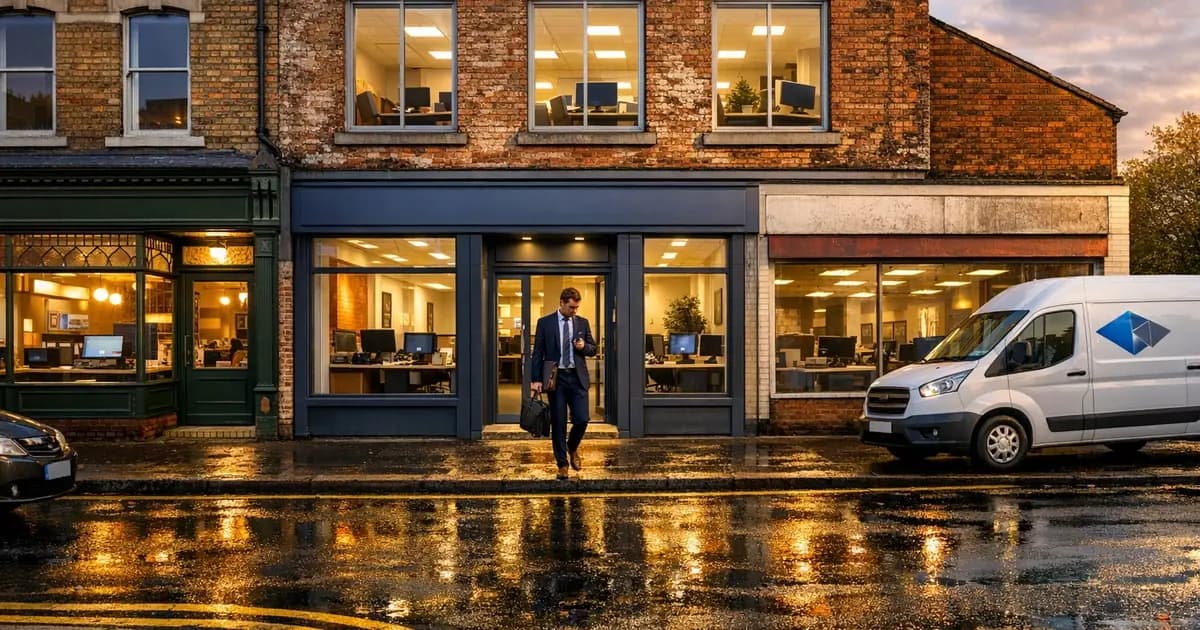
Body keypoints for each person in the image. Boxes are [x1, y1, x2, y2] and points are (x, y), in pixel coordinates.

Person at [531, 287, 598, 480]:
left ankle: (572, 447)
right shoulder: (545, 323)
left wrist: (583, 346)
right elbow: (538, 353)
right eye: (571, 307)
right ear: (562, 303)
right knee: (558, 422)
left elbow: (593, 349)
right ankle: (562, 464)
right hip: (556, 380)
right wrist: (535, 380)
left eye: (576, 307)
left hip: (577, 379)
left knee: (582, 419)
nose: (574, 311)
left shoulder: (582, 323)